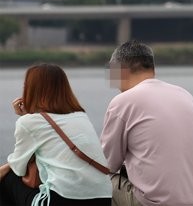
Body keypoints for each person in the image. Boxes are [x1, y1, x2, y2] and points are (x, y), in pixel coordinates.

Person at [100, 40, 193, 206]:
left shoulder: (122, 102)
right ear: (153, 69)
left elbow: (106, 165)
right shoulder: (184, 94)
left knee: (100, 181)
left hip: (159, 203)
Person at [0, 63, 112, 206]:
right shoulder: (81, 116)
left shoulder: (28, 122)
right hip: (103, 199)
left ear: (31, 90)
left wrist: (26, 117)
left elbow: (18, 168)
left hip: (61, 200)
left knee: (7, 180)